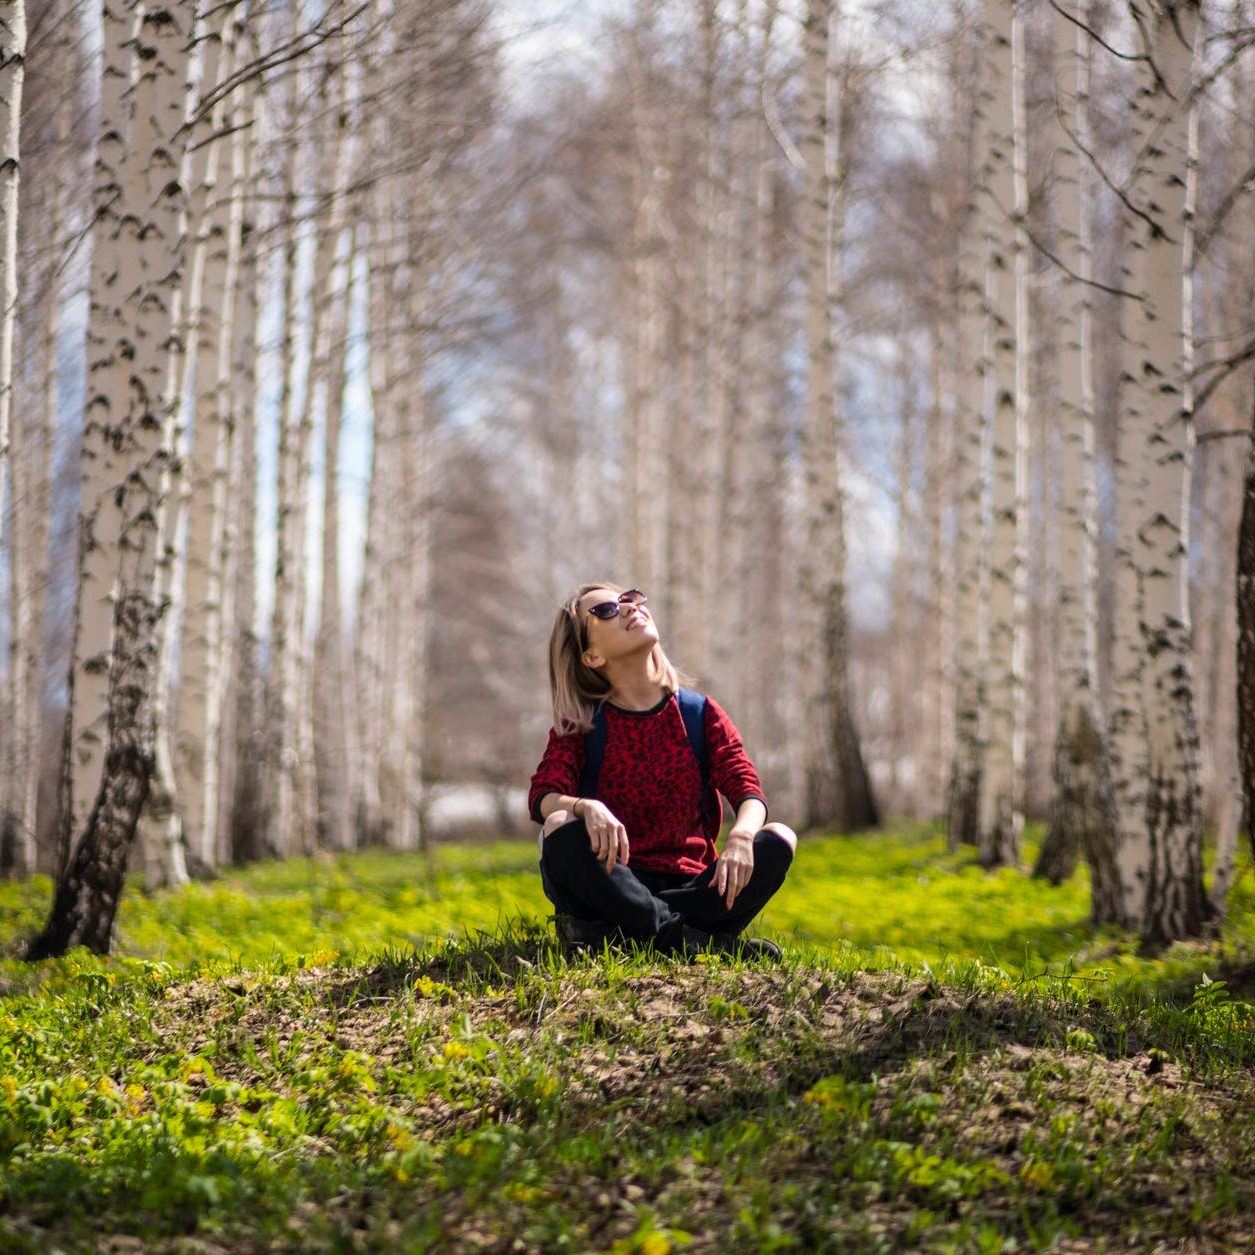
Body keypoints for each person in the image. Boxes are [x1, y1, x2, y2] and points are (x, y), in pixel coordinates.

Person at [528, 582, 796, 959]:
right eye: (605, 610)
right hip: (615, 883)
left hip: (694, 889)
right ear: (591, 656)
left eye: (630, 598)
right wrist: (585, 806)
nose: (627, 608)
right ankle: (691, 941)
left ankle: (627, 935)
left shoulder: (700, 715)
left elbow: (747, 789)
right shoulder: (583, 723)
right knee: (559, 825)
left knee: (779, 838)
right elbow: (543, 796)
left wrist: (740, 836)